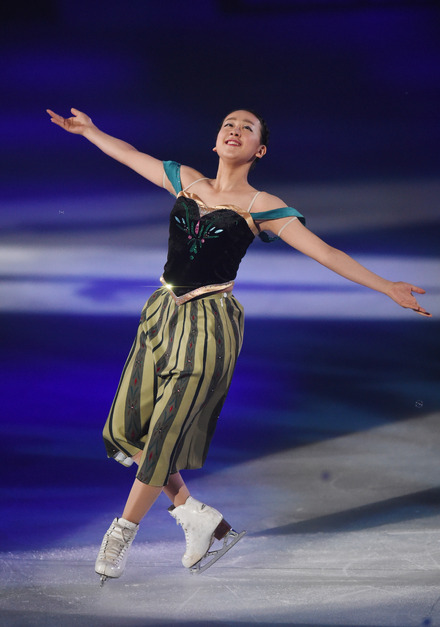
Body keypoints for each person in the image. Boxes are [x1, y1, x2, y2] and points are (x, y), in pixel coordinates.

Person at [46, 107, 431, 584]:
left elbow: (325, 252)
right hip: (160, 315)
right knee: (123, 432)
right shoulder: (186, 180)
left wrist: (385, 286)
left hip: (210, 327)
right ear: (216, 141)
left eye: (246, 128)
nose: (235, 130)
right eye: (228, 124)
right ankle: (203, 520)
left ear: (259, 150)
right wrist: (90, 131)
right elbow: (130, 155)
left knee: (165, 432)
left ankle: (123, 531)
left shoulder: (262, 204)